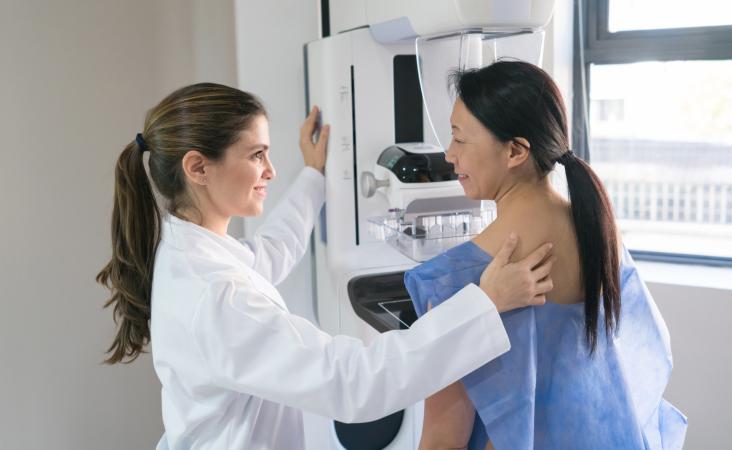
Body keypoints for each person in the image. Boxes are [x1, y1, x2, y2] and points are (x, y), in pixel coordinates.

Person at [95, 82, 556, 450]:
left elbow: (266, 257)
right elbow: (352, 382)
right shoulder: (216, 294)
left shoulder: (188, 251)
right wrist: (486, 304)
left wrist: (313, 177)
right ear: (198, 167)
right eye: (257, 155)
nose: (271, 171)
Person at [406, 61, 687, 450]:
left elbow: (442, 439)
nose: (449, 154)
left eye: (459, 138)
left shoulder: (454, 278)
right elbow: (645, 363)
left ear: (516, 150)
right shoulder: (600, 235)